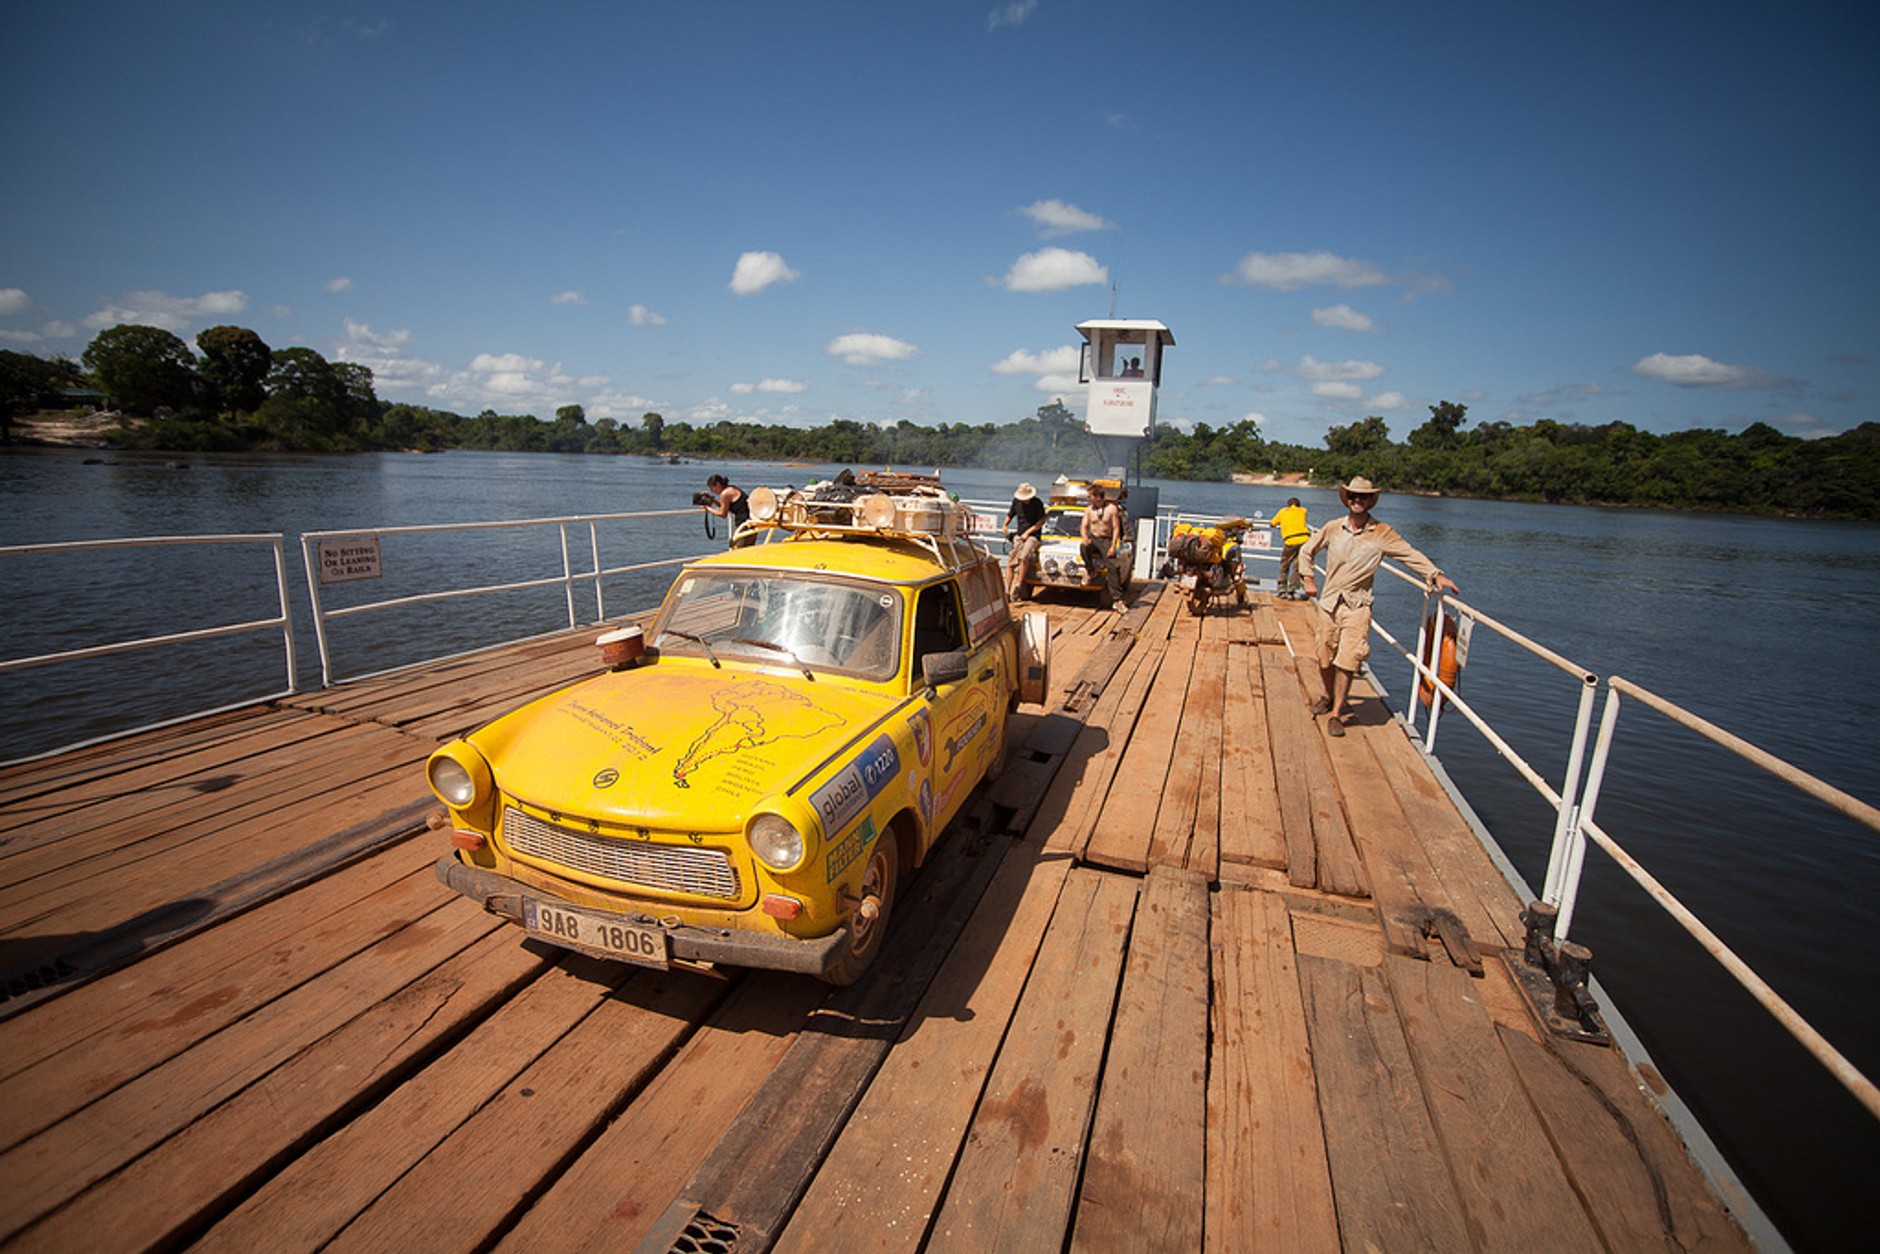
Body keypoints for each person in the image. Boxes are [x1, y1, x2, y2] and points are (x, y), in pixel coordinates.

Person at [1296, 476, 1458, 737]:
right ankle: (1328, 695)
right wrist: (1307, 577)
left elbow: (1410, 554)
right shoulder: (1333, 527)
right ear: (1347, 499)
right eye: (1353, 496)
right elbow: (1306, 550)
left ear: (1371, 500)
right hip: (1328, 603)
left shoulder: (1382, 533)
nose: (1357, 500)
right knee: (1324, 657)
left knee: (1348, 660)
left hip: (1357, 606)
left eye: (1363, 497)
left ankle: (1337, 713)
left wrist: (1434, 574)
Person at [1079, 485, 1126, 609]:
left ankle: (1117, 599)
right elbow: (1083, 526)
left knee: (1113, 566)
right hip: (1094, 537)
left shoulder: (1112, 509)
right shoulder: (1089, 510)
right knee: (1084, 547)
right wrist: (1085, 537)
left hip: (1106, 539)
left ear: (1098, 497)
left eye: (1090, 496)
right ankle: (1090, 571)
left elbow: (1116, 528)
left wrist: (1113, 546)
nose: (1088, 499)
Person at [1004, 481, 1046, 599]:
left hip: (1033, 535)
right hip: (1020, 534)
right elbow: (1010, 514)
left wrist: (1028, 532)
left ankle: (1019, 585)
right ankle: (1007, 588)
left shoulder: (1037, 503)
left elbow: (1041, 521)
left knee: (1024, 556)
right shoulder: (1016, 502)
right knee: (1012, 559)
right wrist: (1005, 525)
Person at [1271, 497, 1310, 598]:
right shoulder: (1303, 511)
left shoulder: (1283, 512)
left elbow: (1273, 523)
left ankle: (1282, 589)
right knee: (1298, 566)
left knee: (1284, 565)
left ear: (1288, 505)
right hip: (1305, 540)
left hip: (1291, 541)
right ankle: (1292, 589)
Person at [702, 473, 752, 547]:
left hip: (744, 524)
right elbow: (725, 506)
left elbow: (723, 514)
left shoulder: (725, 494)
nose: (713, 491)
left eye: (712, 489)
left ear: (718, 484)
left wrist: (708, 509)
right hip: (750, 522)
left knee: (739, 549)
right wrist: (712, 499)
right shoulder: (732, 488)